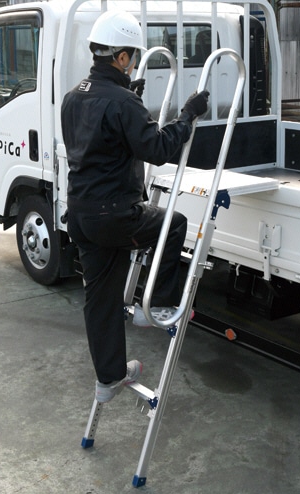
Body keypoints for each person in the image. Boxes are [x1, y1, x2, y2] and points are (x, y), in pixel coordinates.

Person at [61, 10, 209, 403]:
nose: (132, 63)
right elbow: (158, 149)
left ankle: (108, 379)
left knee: (100, 299)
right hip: (115, 214)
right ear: (122, 57)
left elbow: (101, 142)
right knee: (173, 224)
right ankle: (155, 305)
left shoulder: (73, 97)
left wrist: (132, 103)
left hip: (80, 214)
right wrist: (187, 116)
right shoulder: (123, 102)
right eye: (132, 56)